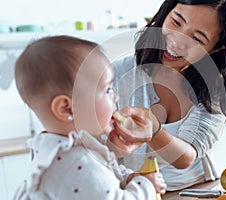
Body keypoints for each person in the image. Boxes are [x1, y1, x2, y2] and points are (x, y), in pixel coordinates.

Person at [109, 0, 226, 191]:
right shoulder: (116, 74)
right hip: (138, 191)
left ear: (216, 48)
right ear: (166, 13)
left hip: (198, 190)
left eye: (197, 39)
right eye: (176, 22)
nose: (177, 41)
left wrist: (153, 130)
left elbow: (186, 157)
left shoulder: (214, 87)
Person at [13, 35, 166, 199]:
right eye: (107, 90)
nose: (115, 97)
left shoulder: (63, 150)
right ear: (66, 109)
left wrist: (129, 178)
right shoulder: (74, 163)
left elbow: (102, 174)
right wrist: (146, 185)